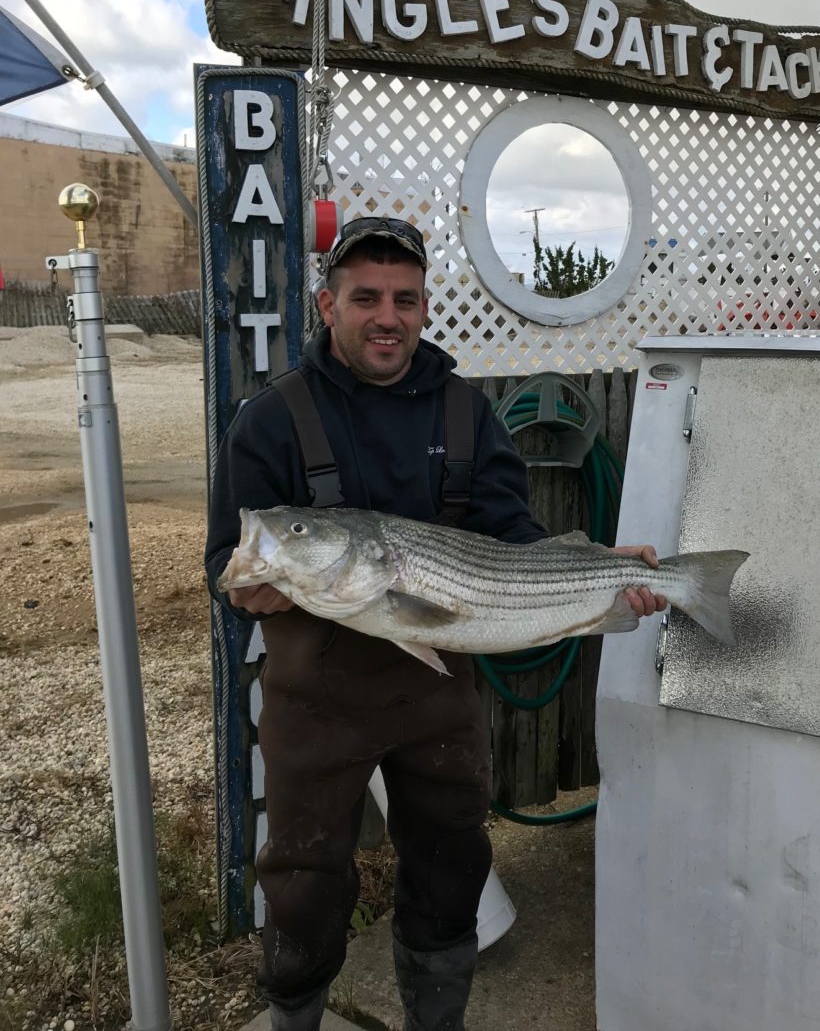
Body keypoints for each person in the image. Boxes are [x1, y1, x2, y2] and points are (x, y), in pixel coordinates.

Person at [204, 215, 667, 1031]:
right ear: (328, 305)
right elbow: (225, 562)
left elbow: (511, 533)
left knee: (453, 866)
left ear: (424, 308)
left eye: (405, 299)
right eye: (366, 298)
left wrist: (596, 572)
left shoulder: (465, 412)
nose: (387, 317)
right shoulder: (272, 420)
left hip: (439, 695)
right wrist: (248, 589)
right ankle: (295, 1014)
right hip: (315, 705)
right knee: (304, 882)